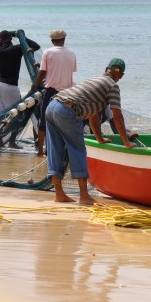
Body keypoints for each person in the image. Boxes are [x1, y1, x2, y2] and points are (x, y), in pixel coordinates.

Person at [45, 58, 134, 205]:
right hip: (67, 110)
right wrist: (126, 143)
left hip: (53, 105)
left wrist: (99, 138)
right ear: (121, 76)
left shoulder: (94, 80)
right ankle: (84, 196)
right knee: (78, 150)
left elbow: (93, 114)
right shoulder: (112, 86)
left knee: (55, 149)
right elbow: (117, 115)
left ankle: (59, 195)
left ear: (107, 69)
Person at [32, 29, 77, 156]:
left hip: (51, 91)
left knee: (44, 121)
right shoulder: (71, 53)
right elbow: (70, 70)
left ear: (52, 40)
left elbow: (42, 72)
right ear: (64, 39)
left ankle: (40, 151)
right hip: (67, 93)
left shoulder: (47, 52)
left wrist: (36, 85)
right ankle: (63, 151)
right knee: (65, 121)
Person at [0, 30, 40, 116]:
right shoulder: (16, 49)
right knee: (15, 114)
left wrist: (1, 40)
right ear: (10, 37)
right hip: (10, 87)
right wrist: (21, 36)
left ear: (0, 39)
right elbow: (36, 46)